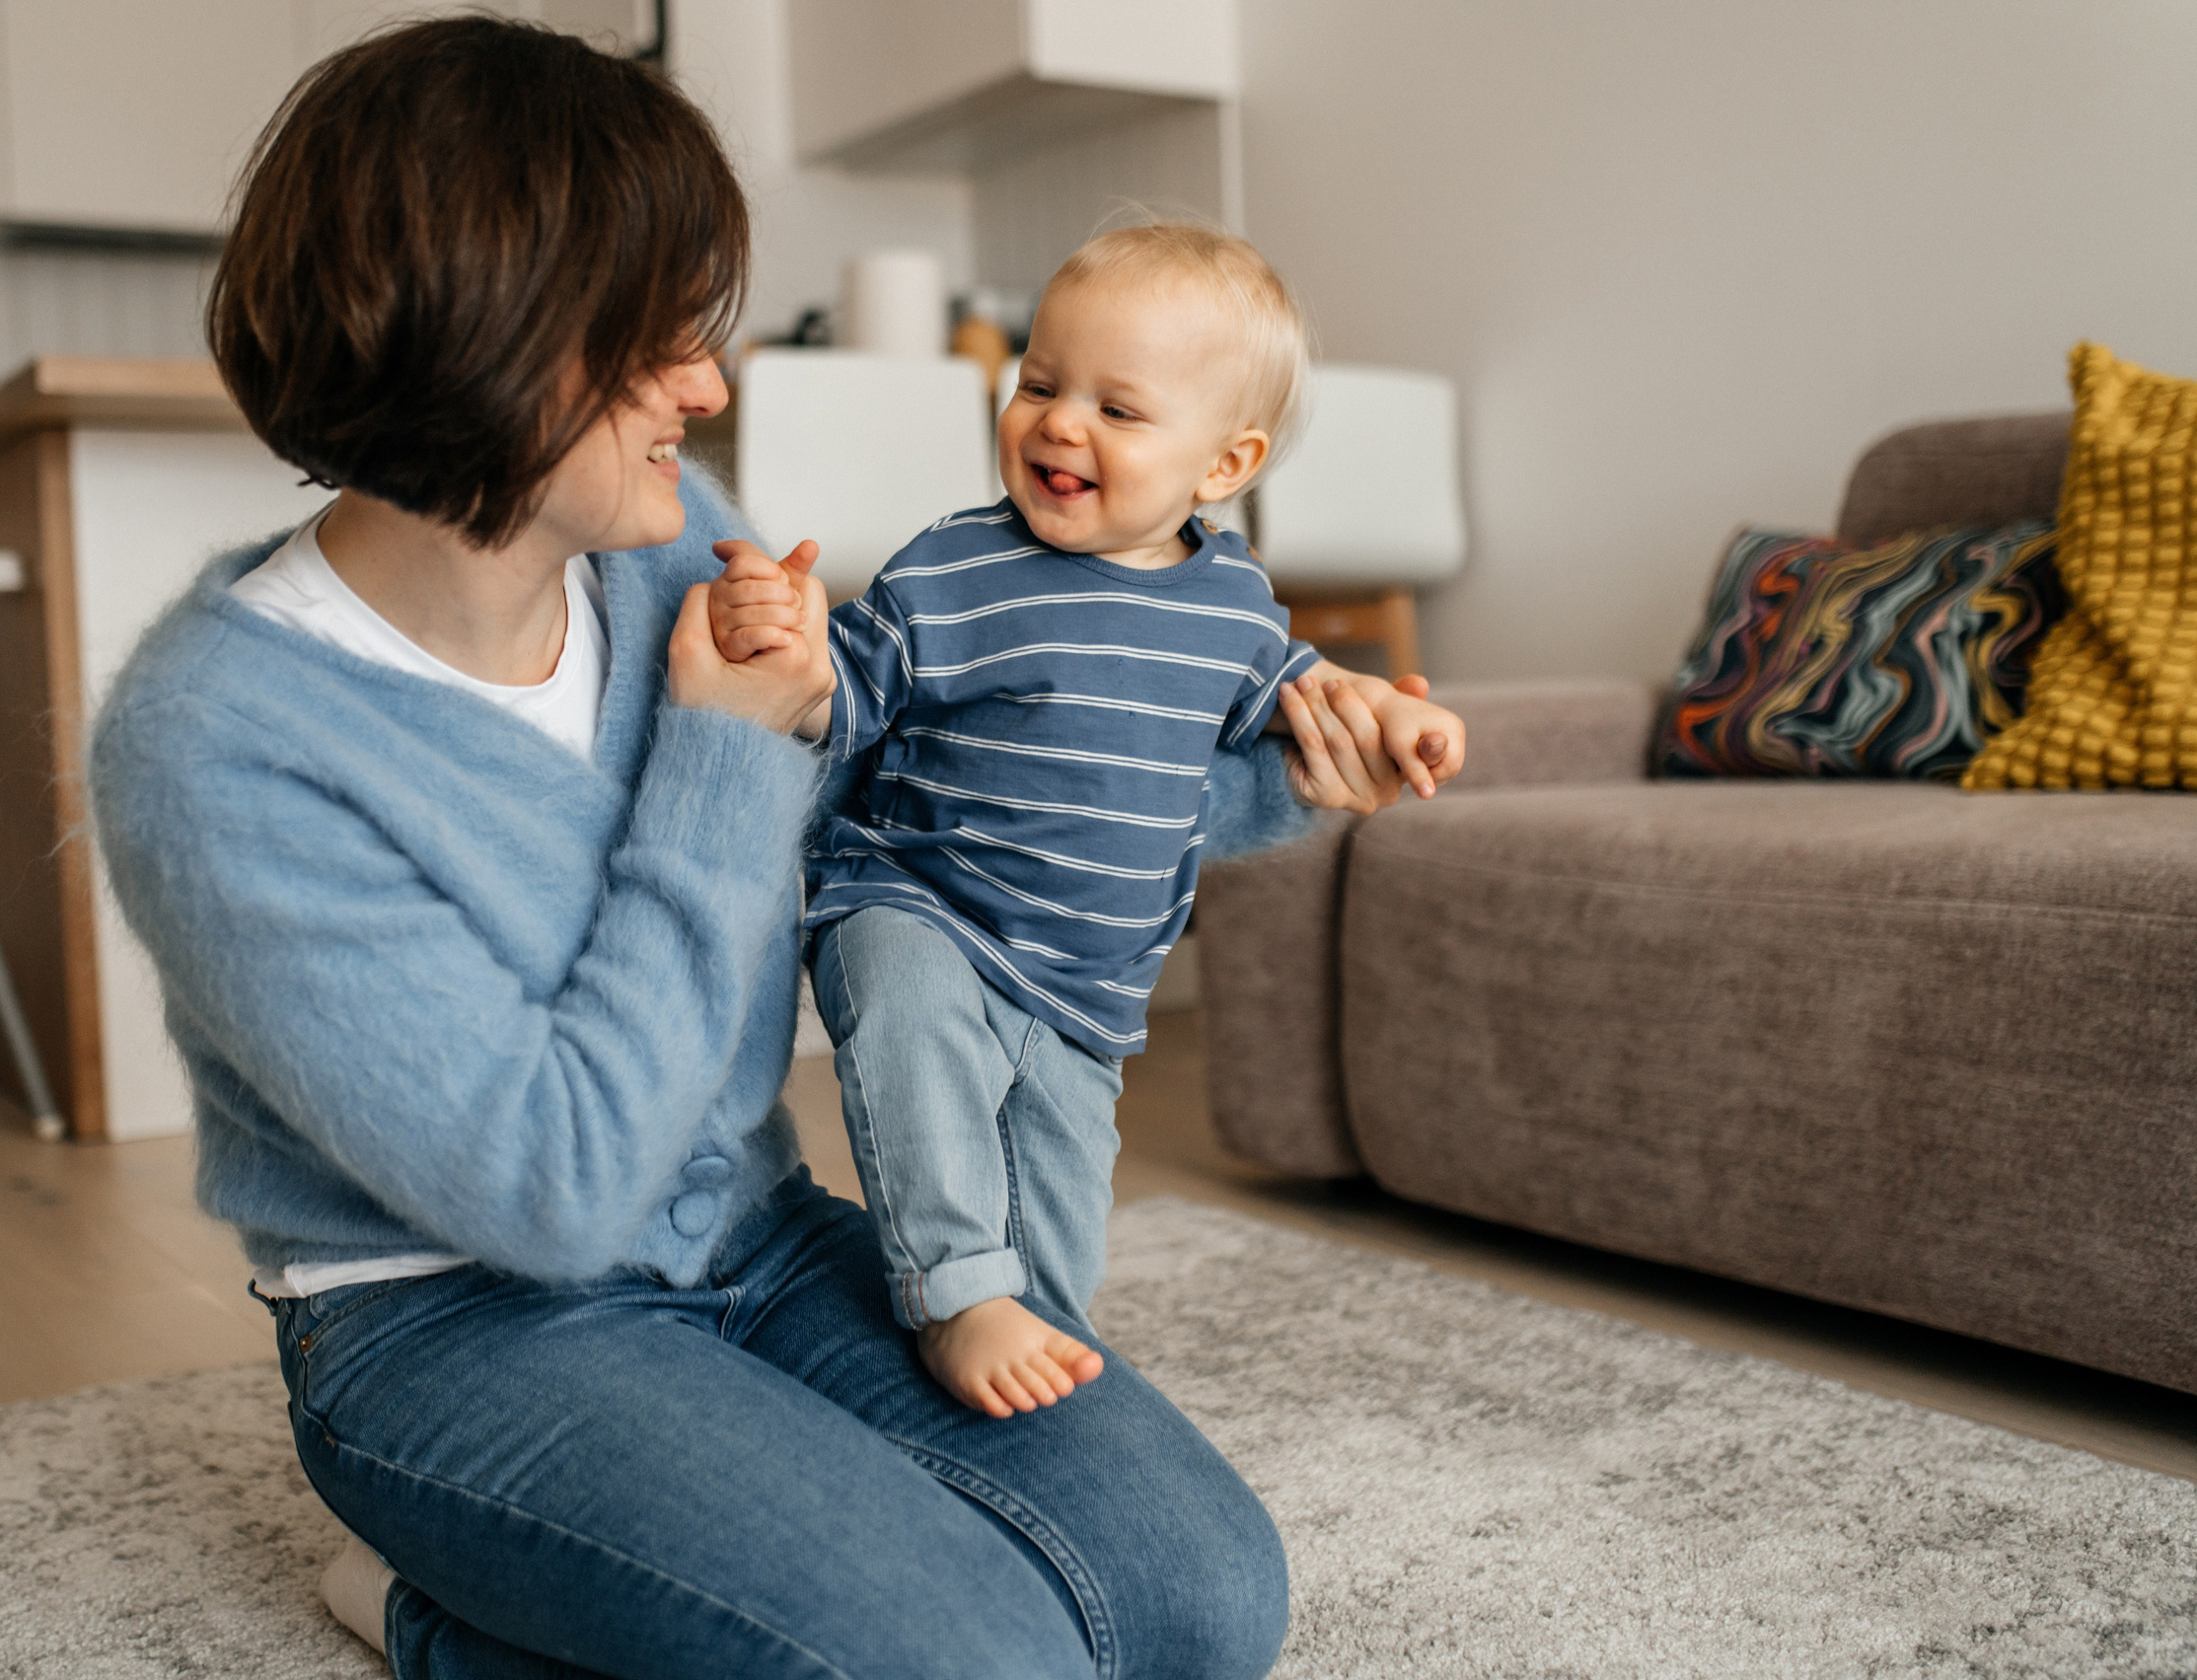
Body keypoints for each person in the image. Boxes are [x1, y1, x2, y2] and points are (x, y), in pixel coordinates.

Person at [88, 19, 1378, 1680]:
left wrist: (1277, 782)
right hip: (466, 1319)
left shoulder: (676, 539)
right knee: (985, 1661)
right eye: (658, 346)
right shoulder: (219, 739)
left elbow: (928, 829)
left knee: (1203, 1600)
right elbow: (551, 1196)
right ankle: (418, 1607)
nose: (707, 388)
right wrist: (716, 746)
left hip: (755, 1234)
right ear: (497, 339)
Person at [706, 224, 1469, 1419]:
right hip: (919, 902)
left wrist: (1385, 718)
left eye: (1119, 408)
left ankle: (1024, 1349)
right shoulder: (955, 565)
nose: (1060, 422)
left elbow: (1301, 707)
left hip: (1088, 986)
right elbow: (838, 699)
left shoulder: (1234, 602)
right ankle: (956, 1291)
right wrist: (787, 646)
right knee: (913, 1040)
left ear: (1223, 465)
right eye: (1041, 383)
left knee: (1057, 1239)